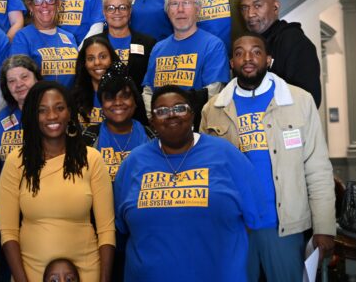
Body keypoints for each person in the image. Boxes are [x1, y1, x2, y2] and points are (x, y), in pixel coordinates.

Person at [200, 33, 335, 282]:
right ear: (231, 62)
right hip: (234, 228)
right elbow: (204, 175)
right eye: (240, 53)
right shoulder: (213, 109)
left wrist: (325, 227)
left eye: (256, 52)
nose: (248, 58)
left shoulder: (299, 101)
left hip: (284, 228)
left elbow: (318, 170)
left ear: (269, 59)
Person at [114, 85, 265, 281]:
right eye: (162, 111)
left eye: (179, 108)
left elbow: (254, 217)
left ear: (192, 115)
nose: (171, 115)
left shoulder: (226, 155)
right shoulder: (133, 163)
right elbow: (121, 226)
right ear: (152, 121)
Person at [0, 81, 115, 282]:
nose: (52, 116)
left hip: (87, 272)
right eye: (42, 110)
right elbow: (8, 232)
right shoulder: (16, 161)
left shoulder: (91, 158)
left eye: (59, 108)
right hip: (30, 272)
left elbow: (106, 230)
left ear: (69, 112)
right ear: (33, 116)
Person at [142, 0, 229, 117]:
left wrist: (176, 120)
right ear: (167, 10)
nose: (180, 9)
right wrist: (157, 120)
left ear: (198, 8)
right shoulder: (157, 49)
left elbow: (213, 94)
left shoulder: (213, 46)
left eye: (186, 3)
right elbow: (148, 92)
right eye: (174, 4)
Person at [240, 0, 322, 107]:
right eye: (245, 8)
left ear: (275, 8)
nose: (250, 14)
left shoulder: (295, 42)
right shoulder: (244, 46)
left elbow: (309, 100)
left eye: (257, 6)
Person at [82, 62, 154, 181]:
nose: (118, 102)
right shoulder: (87, 138)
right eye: (110, 97)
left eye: (125, 96)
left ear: (135, 101)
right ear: (102, 104)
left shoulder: (152, 137)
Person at [10, 0, 79, 89]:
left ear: (58, 4)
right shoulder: (22, 38)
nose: (44, 5)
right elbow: (20, 82)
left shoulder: (70, 37)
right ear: (30, 6)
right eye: (38, 0)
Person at [94, 0, 156, 91]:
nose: (117, 12)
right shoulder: (93, 44)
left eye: (123, 7)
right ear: (104, 12)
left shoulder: (149, 44)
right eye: (111, 8)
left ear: (130, 10)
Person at [0, 54, 42, 162]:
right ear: (6, 87)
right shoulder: (3, 116)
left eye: (24, 77)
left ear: (37, 79)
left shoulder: (51, 112)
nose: (19, 84)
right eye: (12, 81)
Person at [71, 36, 120, 127]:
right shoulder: (74, 97)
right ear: (84, 63)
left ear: (111, 59)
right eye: (90, 58)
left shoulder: (125, 95)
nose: (97, 62)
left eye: (103, 57)